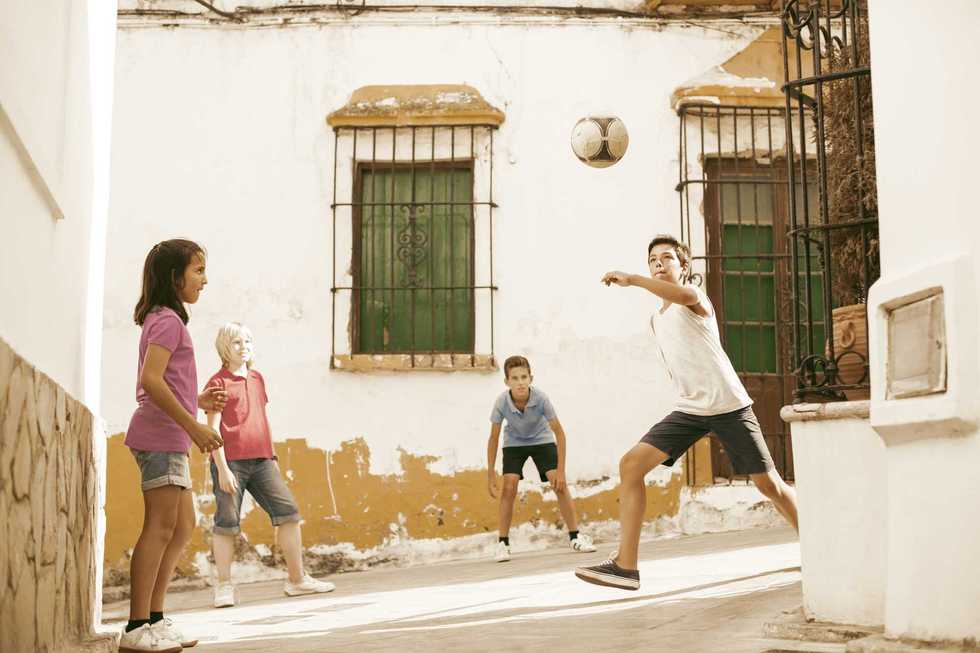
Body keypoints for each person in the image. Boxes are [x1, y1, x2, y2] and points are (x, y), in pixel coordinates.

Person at [574, 234, 798, 590]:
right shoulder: (656, 320)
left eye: (667, 258)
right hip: (690, 410)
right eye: (652, 260)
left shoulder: (695, 299)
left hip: (728, 406)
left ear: (684, 266)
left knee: (768, 485)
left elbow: (682, 296)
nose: (659, 264)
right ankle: (625, 566)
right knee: (631, 465)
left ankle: (814, 543)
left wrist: (632, 279)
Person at [120, 239, 226, 653]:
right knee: (160, 528)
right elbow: (150, 381)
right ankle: (135, 627)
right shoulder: (167, 321)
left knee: (182, 528)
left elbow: (166, 383)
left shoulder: (165, 320)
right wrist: (196, 426)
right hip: (161, 436)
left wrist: (196, 402)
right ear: (173, 277)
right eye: (197, 270)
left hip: (171, 435)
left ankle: (156, 619)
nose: (204, 278)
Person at [205, 321, 335, 608]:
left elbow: (262, 420)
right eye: (237, 342)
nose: (244, 347)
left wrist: (272, 457)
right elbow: (212, 430)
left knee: (288, 511)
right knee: (226, 523)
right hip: (232, 464)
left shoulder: (257, 378)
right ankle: (224, 586)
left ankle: (297, 580)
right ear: (225, 347)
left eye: (248, 341)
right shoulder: (217, 383)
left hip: (262, 461)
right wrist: (223, 469)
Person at [487, 355, 596, 562]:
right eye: (515, 378)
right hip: (515, 443)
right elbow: (493, 438)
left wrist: (561, 472)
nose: (520, 382)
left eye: (524, 377)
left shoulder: (541, 399)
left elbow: (560, 433)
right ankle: (503, 543)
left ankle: (575, 537)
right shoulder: (501, 402)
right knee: (508, 487)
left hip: (542, 440)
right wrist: (491, 473)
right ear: (507, 382)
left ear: (531, 378)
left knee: (559, 484)